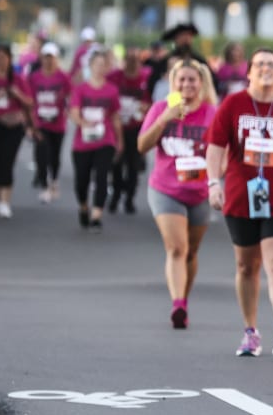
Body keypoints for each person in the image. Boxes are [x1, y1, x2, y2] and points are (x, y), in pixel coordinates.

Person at [205, 48, 273, 357]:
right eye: (260, 64)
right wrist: (214, 183)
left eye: (271, 64)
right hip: (242, 197)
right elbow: (215, 147)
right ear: (249, 72)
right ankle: (251, 331)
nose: (266, 68)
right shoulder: (234, 105)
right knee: (246, 266)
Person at [138, 58, 218, 329]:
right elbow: (142, 145)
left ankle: (183, 296)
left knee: (191, 251)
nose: (186, 85)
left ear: (201, 83)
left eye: (192, 80)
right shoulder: (161, 108)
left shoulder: (211, 114)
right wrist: (164, 119)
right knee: (176, 248)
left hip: (199, 191)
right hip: (165, 189)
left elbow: (225, 154)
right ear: (173, 83)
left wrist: (216, 177)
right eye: (181, 80)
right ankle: (178, 305)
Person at [69, 50, 122, 232]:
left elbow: (115, 116)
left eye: (103, 65)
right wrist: (84, 123)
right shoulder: (80, 89)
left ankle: (97, 215)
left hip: (105, 141)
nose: (100, 68)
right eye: (96, 64)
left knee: (102, 178)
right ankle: (84, 206)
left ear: (107, 67)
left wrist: (119, 140)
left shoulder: (112, 90)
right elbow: (74, 112)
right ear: (90, 66)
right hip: (82, 142)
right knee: (81, 181)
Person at [0, 44, 34, 218]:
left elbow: (29, 102)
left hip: (13, 127)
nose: (1, 62)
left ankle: (4, 201)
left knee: (7, 162)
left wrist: (17, 94)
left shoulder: (17, 79)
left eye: (5, 58)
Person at [109, 49, 151, 213]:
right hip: (117, 127)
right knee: (116, 163)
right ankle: (116, 194)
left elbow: (150, 100)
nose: (133, 62)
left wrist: (144, 107)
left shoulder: (145, 78)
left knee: (133, 166)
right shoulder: (115, 77)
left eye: (136, 59)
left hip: (137, 127)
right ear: (125, 61)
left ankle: (129, 199)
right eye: (130, 59)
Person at [27, 43, 71, 204]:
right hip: (40, 123)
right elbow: (30, 101)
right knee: (41, 153)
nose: (48, 61)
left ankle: (54, 180)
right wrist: (30, 124)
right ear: (42, 59)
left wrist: (68, 107)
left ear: (56, 59)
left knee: (55, 155)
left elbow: (70, 95)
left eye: (51, 58)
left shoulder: (63, 77)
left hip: (58, 123)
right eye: (46, 58)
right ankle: (45, 185)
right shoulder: (35, 77)